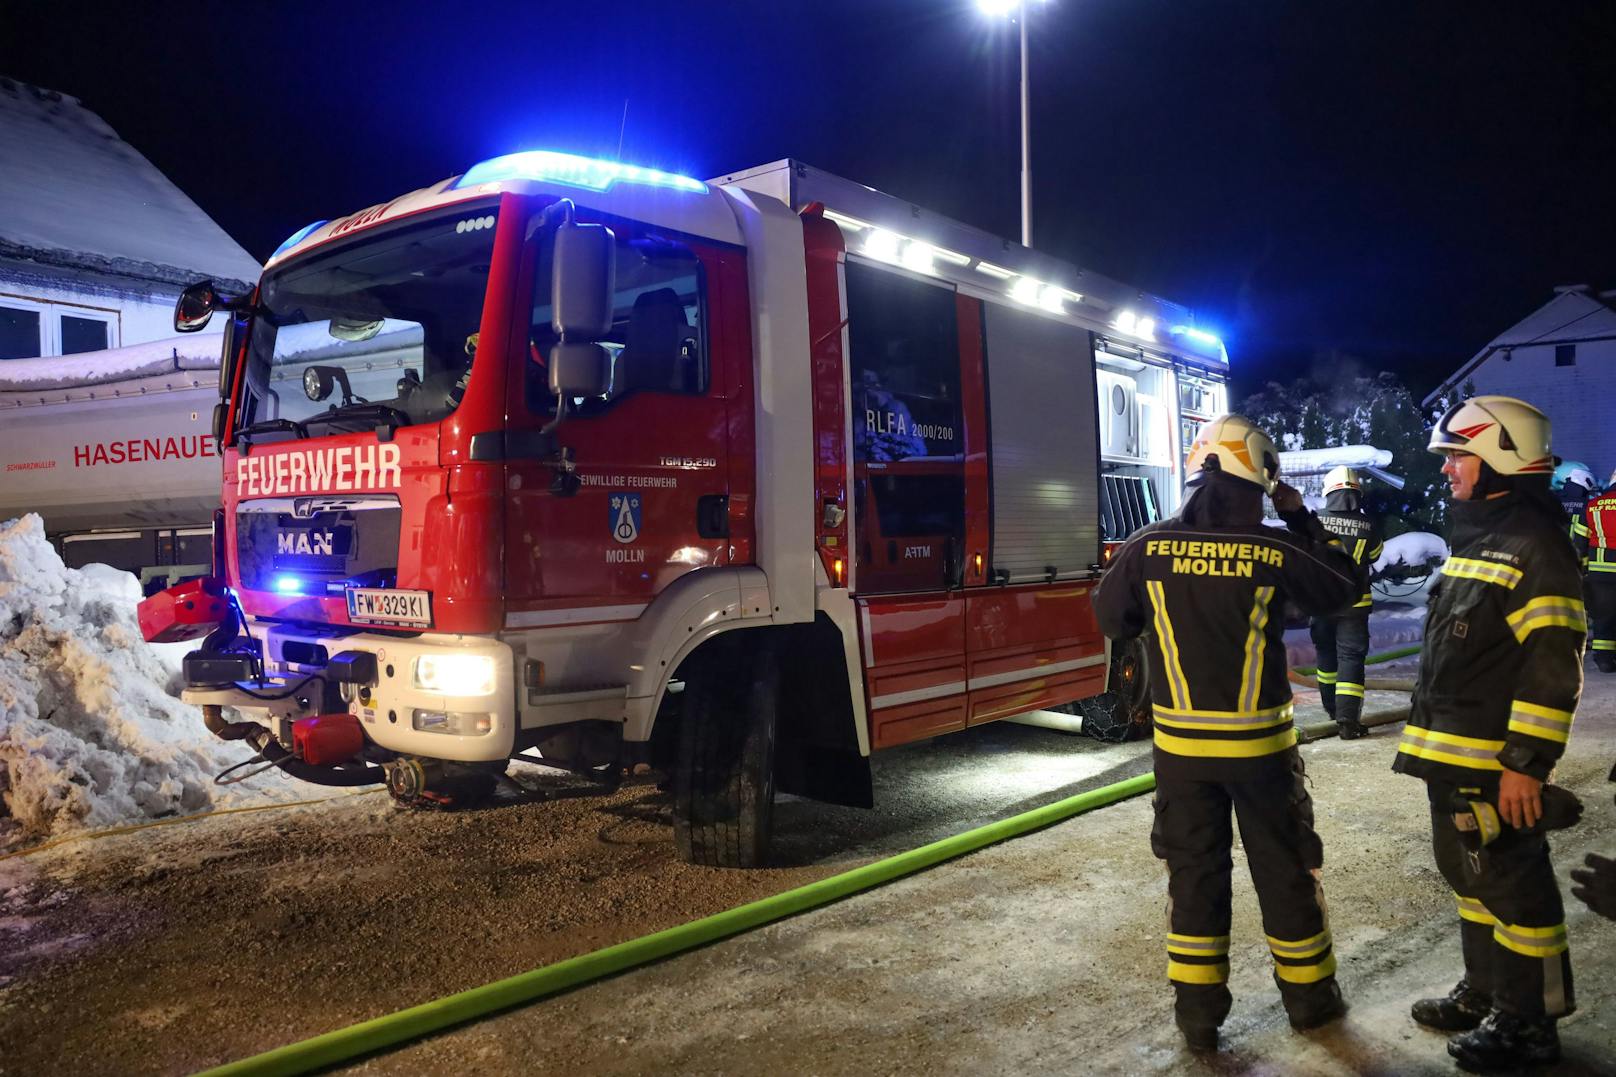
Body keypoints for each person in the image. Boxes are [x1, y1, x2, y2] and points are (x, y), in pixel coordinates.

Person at [1093, 414, 1362, 1051]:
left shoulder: (1146, 546)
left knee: (1194, 879)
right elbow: (1346, 589)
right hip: (1261, 753)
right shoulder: (1275, 548)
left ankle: (1198, 1020)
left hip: (1182, 756)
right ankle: (1310, 1005)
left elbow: (1112, 619)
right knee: (1285, 870)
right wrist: (1300, 517)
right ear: (1261, 482)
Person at [1394, 396, 1587, 1071]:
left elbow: (1552, 666)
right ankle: (1486, 990)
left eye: (1457, 455)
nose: (1448, 469)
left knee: (1515, 889)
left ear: (1500, 458)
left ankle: (1530, 1023)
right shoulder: (1486, 539)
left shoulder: (1536, 548)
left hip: (1495, 764)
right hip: (1453, 757)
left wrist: (1526, 765)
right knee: (1470, 877)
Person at [1310, 466, 1384, 739]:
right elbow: (1375, 556)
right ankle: (1347, 722)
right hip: (1355, 605)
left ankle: (1331, 710)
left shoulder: (1315, 521)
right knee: (1351, 658)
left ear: (1329, 492)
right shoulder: (1368, 525)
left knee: (1326, 657)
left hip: (1320, 603)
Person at [1574, 468, 1616, 673]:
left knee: (1604, 616)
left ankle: (1605, 660)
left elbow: (1580, 541)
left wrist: (1579, 570)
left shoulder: (1592, 506)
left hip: (1601, 573)